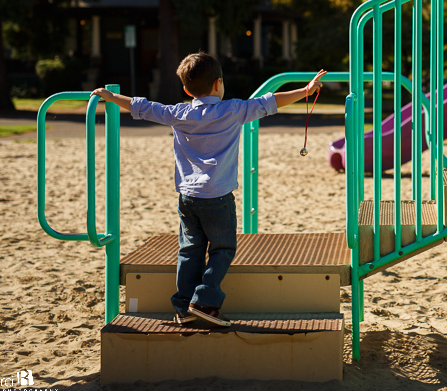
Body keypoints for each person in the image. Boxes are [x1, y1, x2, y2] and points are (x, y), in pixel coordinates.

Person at [93, 52, 325, 327]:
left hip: (188, 197)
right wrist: (307, 90)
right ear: (218, 84)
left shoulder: (178, 113)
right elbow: (271, 102)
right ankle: (205, 301)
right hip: (218, 197)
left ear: (186, 89)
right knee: (223, 249)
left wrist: (111, 97)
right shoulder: (234, 110)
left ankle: (182, 307)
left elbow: (141, 107)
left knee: (190, 250)